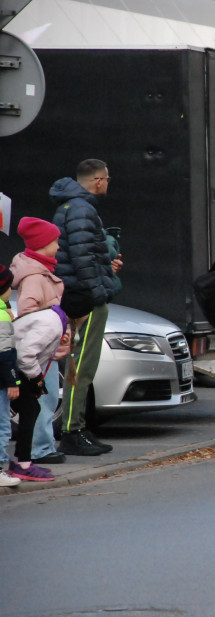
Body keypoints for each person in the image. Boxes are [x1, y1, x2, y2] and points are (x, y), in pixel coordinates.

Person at [50, 158, 121, 456]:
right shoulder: (82, 208)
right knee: (81, 367)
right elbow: (81, 258)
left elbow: (83, 254)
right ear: (99, 180)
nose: (107, 182)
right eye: (107, 178)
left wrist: (105, 265)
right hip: (84, 297)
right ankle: (72, 430)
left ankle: (76, 427)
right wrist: (98, 291)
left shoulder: (69, 205)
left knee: (78, 366)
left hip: (76, 293)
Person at [10, 218, 73, 465]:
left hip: (46, 348)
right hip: (41, 353)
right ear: (43, 244)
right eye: (54, 241)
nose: (58, 246)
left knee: (44, 399)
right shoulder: (35, 276)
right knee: (42, 399)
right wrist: (51, 330)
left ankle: (42, 446)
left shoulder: (39, 271)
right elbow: (29, 312)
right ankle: (40, 448)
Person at [0, 266, 31, 486]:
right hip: (1, 381)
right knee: (2, 425)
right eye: (9, 287)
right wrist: (13, 381)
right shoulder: (2, 315)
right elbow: (5, 353)